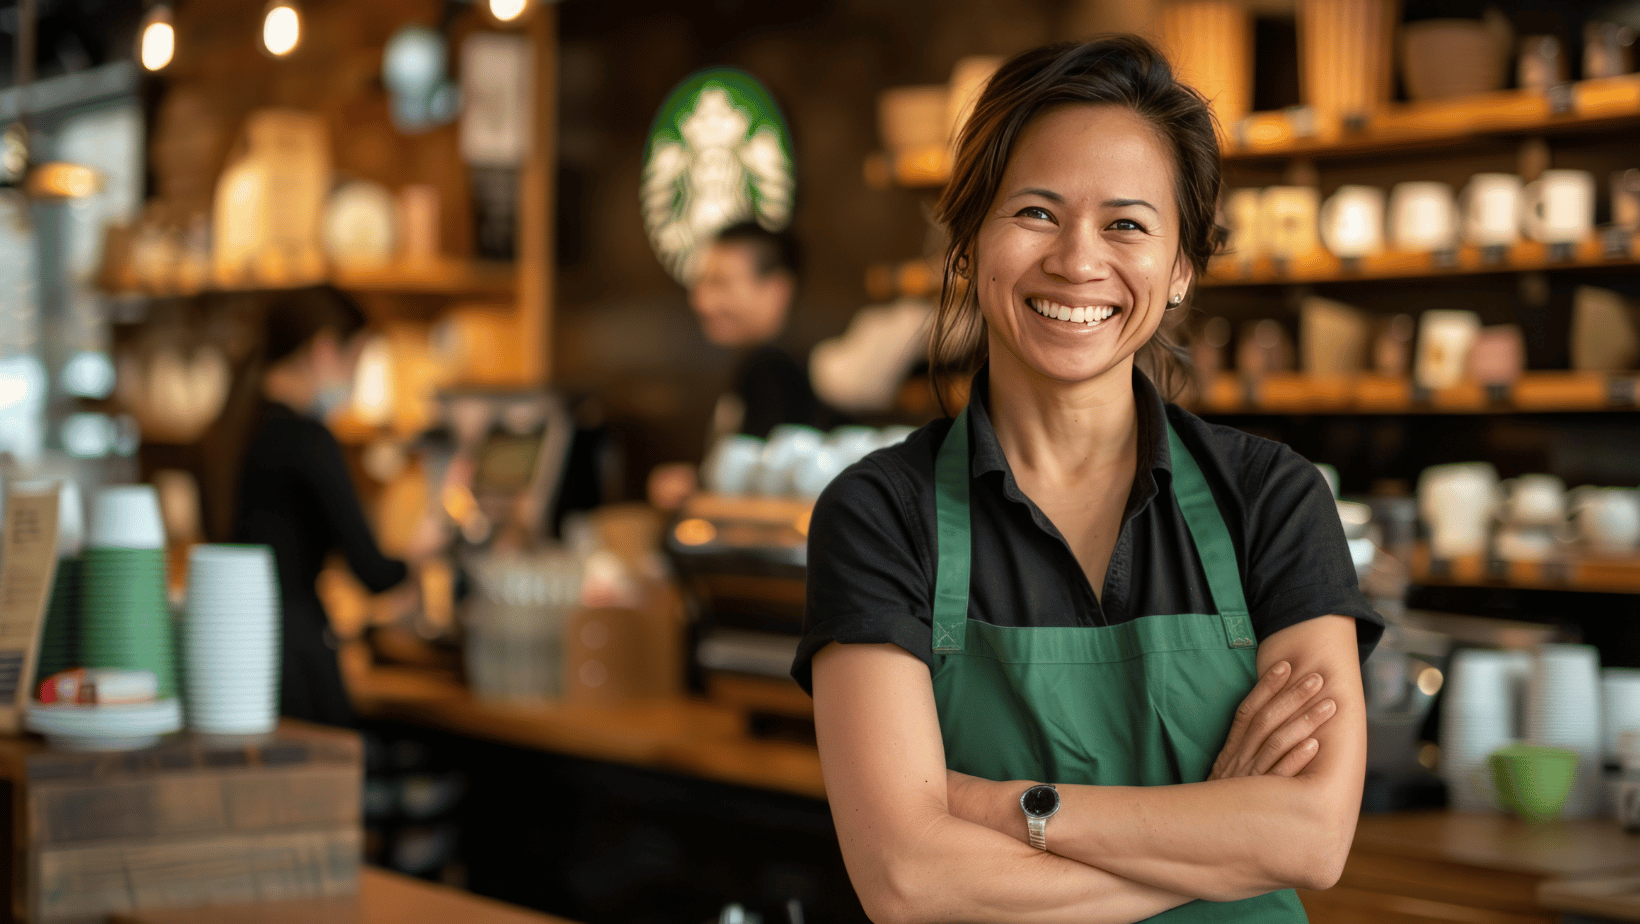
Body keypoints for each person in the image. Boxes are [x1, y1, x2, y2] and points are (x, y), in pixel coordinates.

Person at [793, 37, 1383, 924]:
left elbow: (1310, 839)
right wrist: (1219, 845)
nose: (1077, 260)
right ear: (966, 242)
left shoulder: (1271, 499)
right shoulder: (882, 515)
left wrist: (1012, 809)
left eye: (1128, 224)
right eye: (1035, 212)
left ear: (1182, 266)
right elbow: (908, 880)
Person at [231, 286, 431, 727]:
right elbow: (373, 573)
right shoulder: (308, 440)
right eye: (357, 359)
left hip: (233, 658)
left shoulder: (229, 426)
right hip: (294, 657)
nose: (356, 379)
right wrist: (422, 551)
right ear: (324, 350)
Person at [649, 220, 830, 507]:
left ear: (776, 290)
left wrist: (693, 488)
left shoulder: (771, 369)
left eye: (720, 283)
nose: (701, 301)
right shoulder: (763, 363)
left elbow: (756, 488)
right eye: (701, 283)